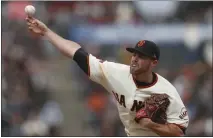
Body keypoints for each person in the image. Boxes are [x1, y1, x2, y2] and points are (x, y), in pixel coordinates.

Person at [25, 16, 189, 136]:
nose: (134, 59)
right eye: (134, 55)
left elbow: (179, 131)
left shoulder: (167, 91)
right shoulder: (116, 73)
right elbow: (76, 52)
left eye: (141, 57)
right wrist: (47, 33)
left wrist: (150, 124)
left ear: (153, 62)